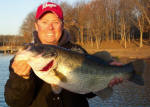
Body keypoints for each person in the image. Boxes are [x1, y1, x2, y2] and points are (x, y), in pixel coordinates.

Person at [4, 2, 123, 107]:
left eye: (55, 22)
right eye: (44, 22)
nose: (50, 27)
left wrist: (107, 78)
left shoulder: (78, 51)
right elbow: (14, 102)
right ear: (36, 25)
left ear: (62, 25)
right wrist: (22, 79)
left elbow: (89, 93)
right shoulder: (21, 60)